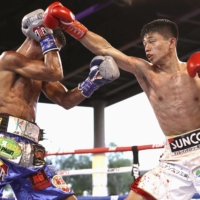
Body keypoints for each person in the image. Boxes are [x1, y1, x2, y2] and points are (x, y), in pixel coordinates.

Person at [43, 2, 200, 200]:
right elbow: (105, 48)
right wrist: (70, 25)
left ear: (171, 42)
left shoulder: (194, 72)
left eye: (152, 41)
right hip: (174, 161)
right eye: (144, 44)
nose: (147, 48)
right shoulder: (146, 73)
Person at [0, 8, 119, 200]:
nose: (51, 54)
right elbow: (55, 71)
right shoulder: (9, 59)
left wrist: (92, 82)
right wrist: (46, 37)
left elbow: (65, 100)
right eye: (50, 48)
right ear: (36, 37)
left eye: (54, 51)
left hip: (29, 149)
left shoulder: (40, 74)